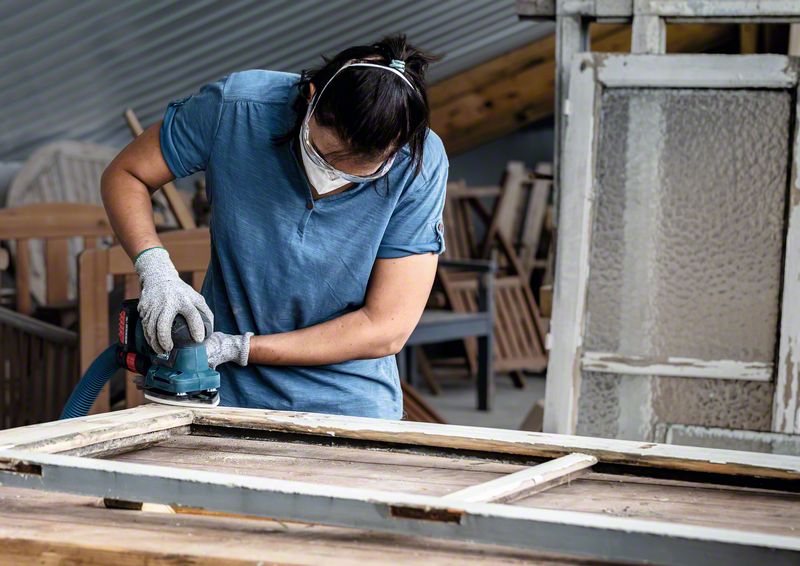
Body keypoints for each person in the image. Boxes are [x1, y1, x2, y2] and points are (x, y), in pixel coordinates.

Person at [101, 35, 447, 419]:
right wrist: (155, 268)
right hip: (223, 392)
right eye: (326, 157)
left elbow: (385, 327)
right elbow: (128, 174)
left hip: (349, 399)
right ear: (312, 97)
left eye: (360, 174)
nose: (333, 178)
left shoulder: (419, 162)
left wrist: (238, 348)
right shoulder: (236, 108)